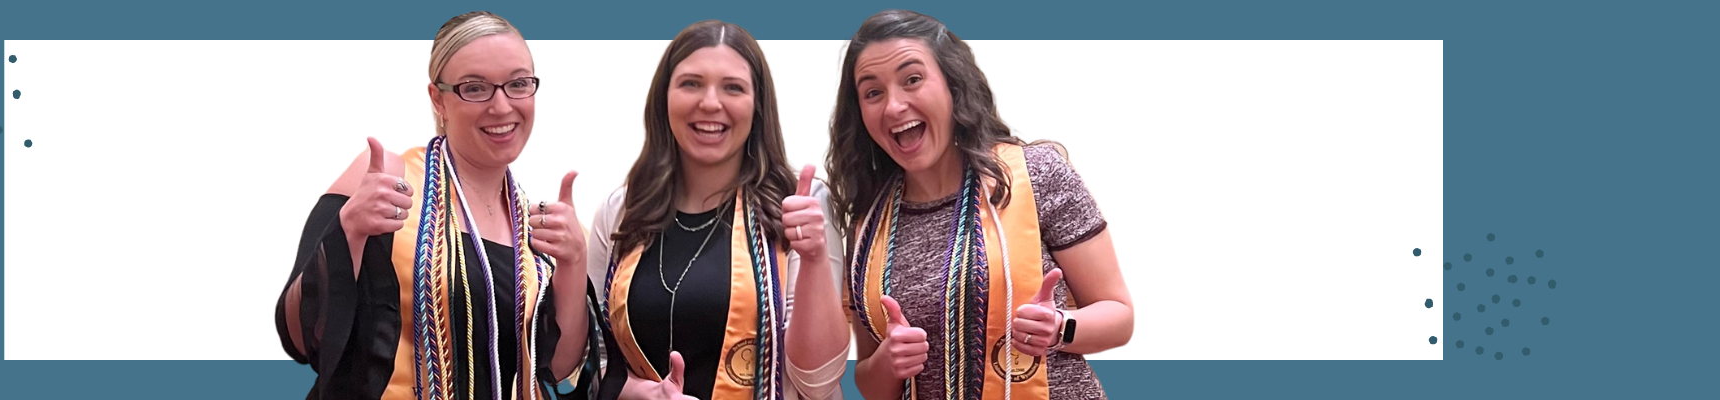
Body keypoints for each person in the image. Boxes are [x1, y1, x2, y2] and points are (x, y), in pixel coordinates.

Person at [274, 11, 603, 400]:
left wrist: (573, 263)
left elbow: (557, 370)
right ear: (438, 99)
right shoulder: (388, 180)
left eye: (518, 84)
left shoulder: (540, 227)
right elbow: (299, 337)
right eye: (475, 88)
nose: (501, 107)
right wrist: (349, 231)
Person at [828, 9, 1136, 400]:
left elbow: (1119, 315)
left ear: (953, 86)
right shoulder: (868, 225)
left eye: (913, 80)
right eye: (873, 92)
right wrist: (890, 362)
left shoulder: (1034, 174)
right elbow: (872, 385)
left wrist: (1060, 327)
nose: (893, 106)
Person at [585, 20, 849, 400]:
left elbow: (817, 381)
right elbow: (595, 360)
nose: (710, 102)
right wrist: (641, 393)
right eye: (691, 83)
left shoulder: (797, 204)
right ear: (664, 98)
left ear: (758, 106)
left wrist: (812, 258)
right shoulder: (623, 209)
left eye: (733, 88)